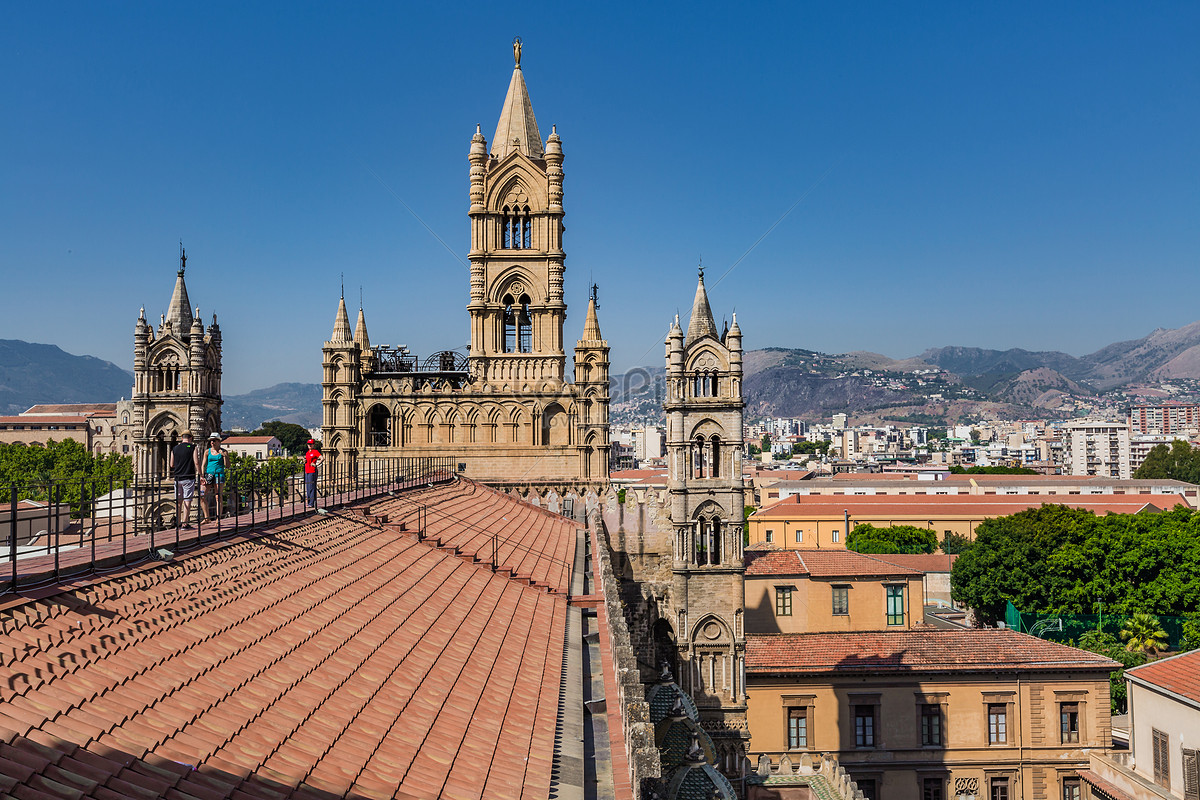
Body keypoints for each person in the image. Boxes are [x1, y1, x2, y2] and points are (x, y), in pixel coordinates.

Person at [168, 431, 200, 529]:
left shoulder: (175, 448)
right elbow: (196, 462)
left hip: (177, 478)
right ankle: (185, 523)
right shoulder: (193, 447)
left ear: (182, 438)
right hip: (188, 478)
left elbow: (171, 464)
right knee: (187, 501)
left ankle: (177, 523)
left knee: (178, 502)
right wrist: (200, 474)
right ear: (191, 438)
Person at [200, 432, 227, 522]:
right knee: (202, 495)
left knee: (218, 496)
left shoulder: (223, 451)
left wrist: (224, 456)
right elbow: (203, 464)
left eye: (214, 440)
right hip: (208, 475)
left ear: (219, 441)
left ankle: (218, 519)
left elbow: (227, 466)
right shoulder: (207, 452)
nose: (212, 442)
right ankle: (207, 517)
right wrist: (201, 476)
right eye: (211, 440)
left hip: (219, 475)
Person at [303, 439, 321, 508]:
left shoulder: (315, 452)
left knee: (311, 487)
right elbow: (307, 460)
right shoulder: (307, 453)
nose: (309, 445)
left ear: (313, 445)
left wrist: (317, 464)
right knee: (308, 487)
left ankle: (312, 503)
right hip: (307, 471)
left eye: (311, 444)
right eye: (308, 444)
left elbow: (322, 458)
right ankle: (309, 502)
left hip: (312, 471)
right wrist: (304, 460)